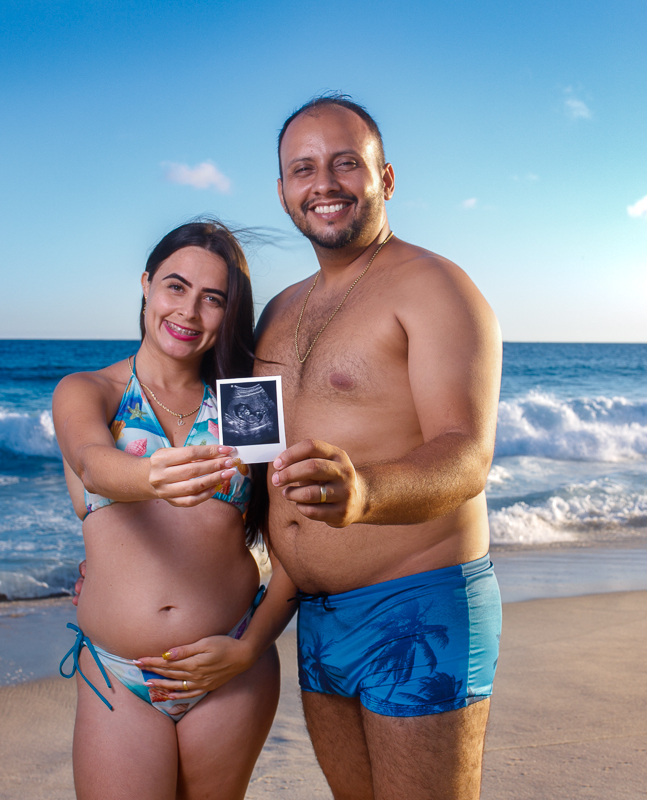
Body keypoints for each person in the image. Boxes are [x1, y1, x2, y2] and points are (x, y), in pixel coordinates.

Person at [257, 95, 503, 799]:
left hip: (416, 603)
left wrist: (365, 492)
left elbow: (465, 453)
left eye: (345, 163)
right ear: (283, 192)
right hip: (316, 616)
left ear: (385, 179)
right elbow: (242, 457)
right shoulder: (277, 312)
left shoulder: (432, 287)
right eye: (303, 168)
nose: (323, 183)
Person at [53, 220, 299, 800]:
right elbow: (91, 463)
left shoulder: (245, 405)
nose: (190, 312)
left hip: (230, 666)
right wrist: (148, 475)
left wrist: (248, 648)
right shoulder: (90, 392)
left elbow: (295, 542)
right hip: (118, 674)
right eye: (176, 287)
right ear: (146, 285)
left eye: (213, 298)